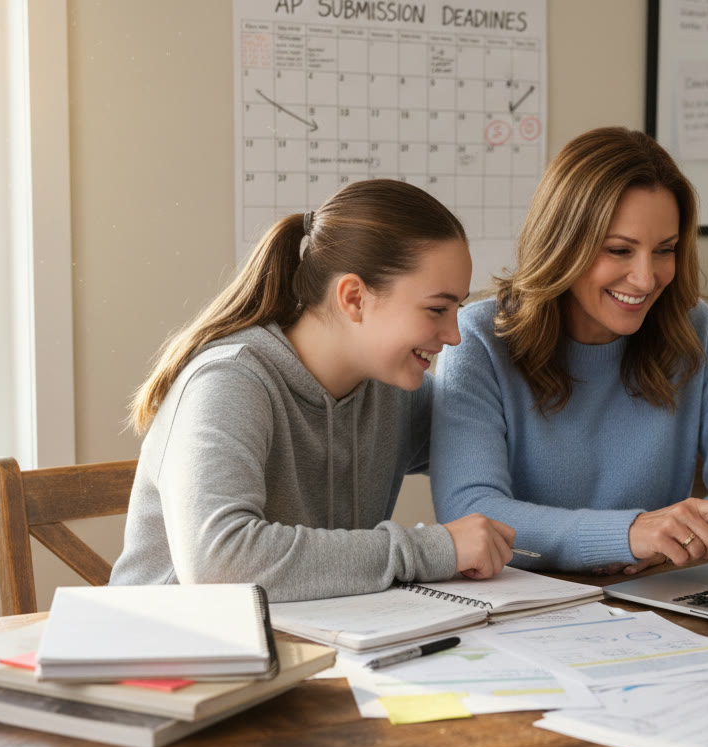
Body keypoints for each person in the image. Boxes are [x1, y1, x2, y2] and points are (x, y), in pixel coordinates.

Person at [110, 179, 515, 601]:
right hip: (173, 651)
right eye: (437, 309)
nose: (454, 335)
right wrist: (431, 549)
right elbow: (220, 561)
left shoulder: (390, 390)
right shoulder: (228, 382)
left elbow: (506, 447)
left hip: (312, 639)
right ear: (354, 297)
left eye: (458, 309)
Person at [431, 127, 708, 575]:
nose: (645, 278)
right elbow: (469, 512)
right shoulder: (479, 338)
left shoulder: (693, 328)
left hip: (652, 596)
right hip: (525, 609)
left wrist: (676, 537)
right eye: (619, 250)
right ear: (563, 242)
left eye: (665, 250)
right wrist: (626, 535)